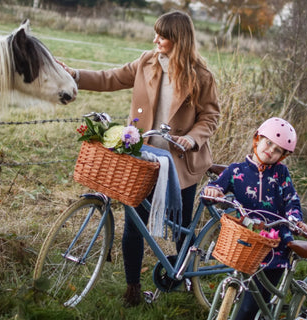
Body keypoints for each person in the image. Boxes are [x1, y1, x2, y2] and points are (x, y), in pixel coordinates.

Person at [60, 10, 220, 307]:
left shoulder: (201, 76)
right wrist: (76, 76)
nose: (155, 39)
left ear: (179, 40)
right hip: (144, 158)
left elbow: (210, 116)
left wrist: (192, 138)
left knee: (182, 225)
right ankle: (132, 288)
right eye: (156, 33)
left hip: (181, 164)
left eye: (163, 36)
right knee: (134, 225)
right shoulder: (147, 61)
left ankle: (183, 276)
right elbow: (111, 78)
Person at [203, 117, 307, 319]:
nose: (270, 150)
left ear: (282, 156)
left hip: (274, 248)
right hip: (246, 243)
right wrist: (213, 191)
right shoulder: (235, 171)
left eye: (277, 150)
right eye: (268, 142)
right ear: (256, 140)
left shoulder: (281, 173)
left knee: (249, 308)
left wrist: (295, 220)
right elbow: (216, 187)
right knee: (245, 298)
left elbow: (291, 200)